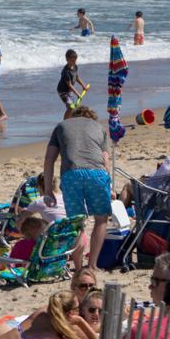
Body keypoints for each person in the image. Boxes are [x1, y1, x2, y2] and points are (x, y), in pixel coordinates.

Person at [43, 106, 112, 271]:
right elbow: (106, 161)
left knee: (77, 223)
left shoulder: (61, 126)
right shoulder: (100, 128)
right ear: (91, 117)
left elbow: (49, 159)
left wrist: (47, 190)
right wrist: (109, 186)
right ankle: (93, 264)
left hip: (71, 175)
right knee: (101, 220)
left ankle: (79, 266)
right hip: (97, 173)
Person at [57, 49, 88, 117]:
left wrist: (83, 85)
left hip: (69, 91)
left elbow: (76, 77)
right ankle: (65, 122)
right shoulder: (66, 72)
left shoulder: (75, 67)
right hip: (63, 91)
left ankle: (69, 119)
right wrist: (78, 94)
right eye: (72, 61)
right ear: (67, 59)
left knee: (72, 107)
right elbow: (70, 85)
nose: (74, 62)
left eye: (75, 60)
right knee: (71, 107)